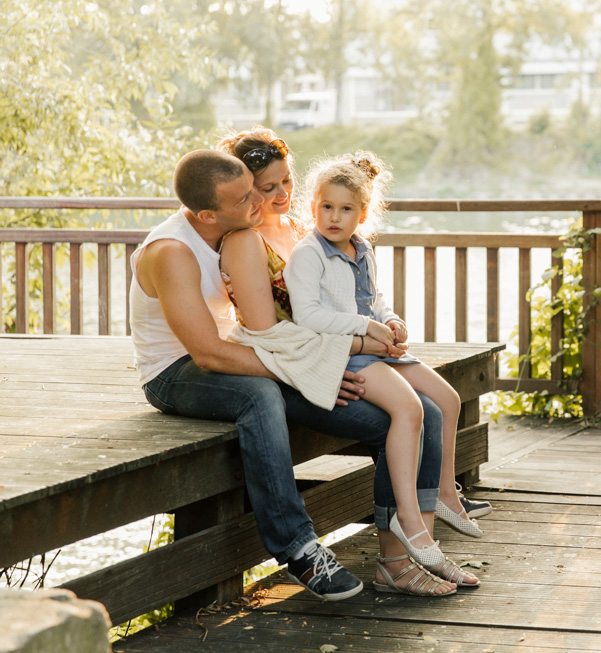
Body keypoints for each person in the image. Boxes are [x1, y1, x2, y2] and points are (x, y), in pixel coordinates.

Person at [129, 148, 448, 602]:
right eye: (244, 200)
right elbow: (207, 354)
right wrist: (309, 371)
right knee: (260, 396)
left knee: (394, 420)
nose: (258, 204)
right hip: (177, 373)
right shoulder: (172, 252)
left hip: (252, 355)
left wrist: (338, 352)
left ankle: (396, 562)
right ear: (206, 213)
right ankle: (297, 547)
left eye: (254, 190)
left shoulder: (243, 232)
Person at [216, 128, 479, 592]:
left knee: (435, 410)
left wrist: (385, 328)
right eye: (267, 186)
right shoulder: (246, 241)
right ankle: (400, 551)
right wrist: (358, 345)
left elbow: (363, 298)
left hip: (339, 352)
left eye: (286, 182)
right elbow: (269, 330)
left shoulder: (306, 230)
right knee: (400, 417)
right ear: (243, 189)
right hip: (297, 367)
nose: (280, 195)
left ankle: (414, 550)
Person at [282, 151, 485, 578]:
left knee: (447, 400)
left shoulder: (362, 249)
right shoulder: (309, 254)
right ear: (312, 205)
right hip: (346, 353)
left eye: (346, 209)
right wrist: (366, 327)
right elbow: (309, 316)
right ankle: (408, 519)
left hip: (375, 345)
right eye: (326, 206)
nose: (334, 217)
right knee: (411, 410)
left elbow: (376, 301)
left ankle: (447, 493)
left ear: (363, 213)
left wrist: (390, 321)